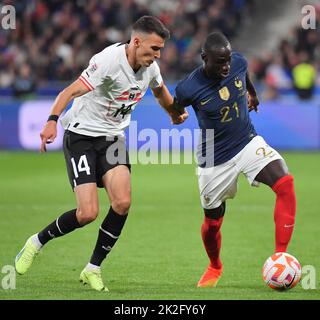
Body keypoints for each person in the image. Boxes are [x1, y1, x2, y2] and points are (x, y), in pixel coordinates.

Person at [14, 15, 188, 292]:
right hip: (82, 136)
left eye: (160, 50)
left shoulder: (150, 68)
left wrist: (174, 112)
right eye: (154, 49)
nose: (157, 55)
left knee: (122, 202)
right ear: (136, 41)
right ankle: (35, 242)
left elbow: (160, 92)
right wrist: (51, 120)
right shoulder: (108, 61)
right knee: (87, 213)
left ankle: (92, 268)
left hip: (112, 139)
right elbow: (69, 91)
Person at [173, 32, 297, 288]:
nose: (226, 66)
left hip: (247, 141)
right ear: (205, 59)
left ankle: (280, 256)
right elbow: (176, 106)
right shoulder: (188, 87)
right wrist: (175, 115)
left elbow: (242, 75)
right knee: (213, 222)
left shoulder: (238, 62)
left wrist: (252, 93)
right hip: (213, 159)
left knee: (285, 183)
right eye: (220, 62)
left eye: (228, 60)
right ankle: (215, 266)